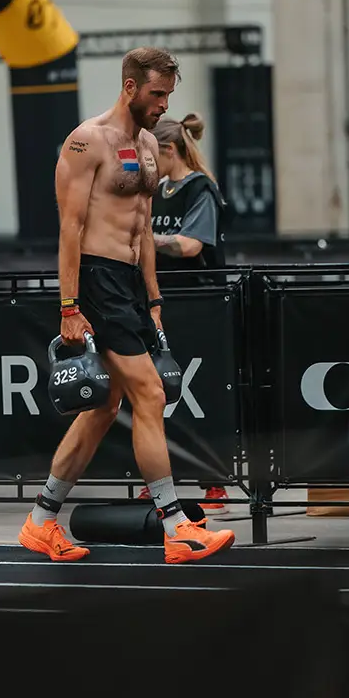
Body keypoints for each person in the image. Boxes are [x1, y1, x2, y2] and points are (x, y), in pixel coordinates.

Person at [18, 47, 235, 563]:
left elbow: (142, 230)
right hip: (96, 280)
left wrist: (153, 299)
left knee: (103, 409)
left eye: (169, 95)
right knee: (150, 393)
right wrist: (69, 307)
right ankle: (177, 527)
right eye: (157, 94)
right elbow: (69, 230)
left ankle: (41, 521)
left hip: (130, 286)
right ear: (131, 87)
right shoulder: (86, 141)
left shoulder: (149, 146)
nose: (164, 105)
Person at [137, 111, 230, 512]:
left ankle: (214, 481)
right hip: (159, 303)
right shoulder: (155, 190)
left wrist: (147, 238)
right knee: (153, 392)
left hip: (201, 303)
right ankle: (158, 478)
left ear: (169, 150)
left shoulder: (200, 189)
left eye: (151, 154)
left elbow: (191, 245)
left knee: (202, 392)